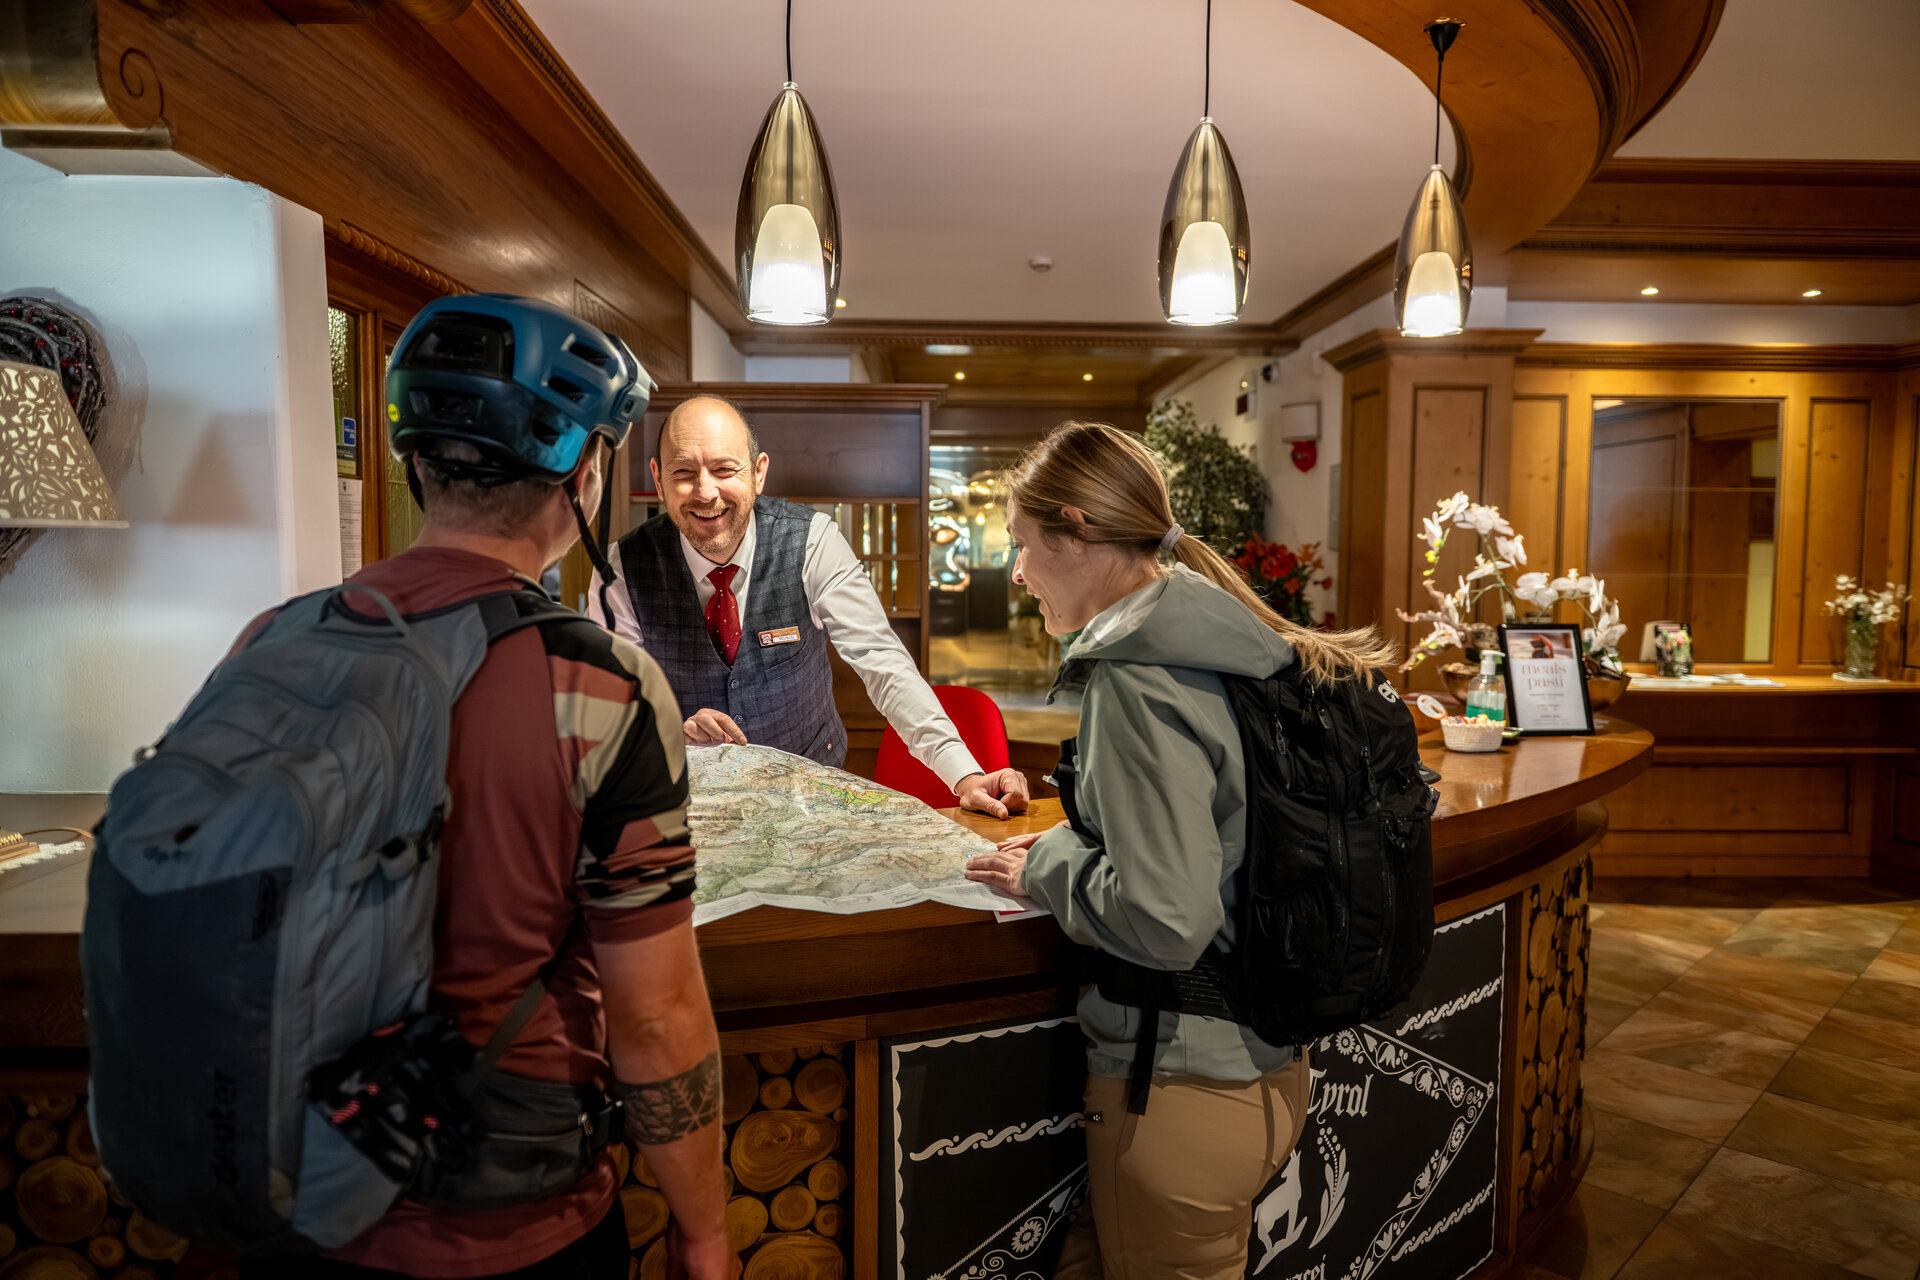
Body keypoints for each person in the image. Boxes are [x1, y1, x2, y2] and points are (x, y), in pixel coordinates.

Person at [254, 296, 731, 1279]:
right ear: (585, 473)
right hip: (514, 1220)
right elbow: (655, 1018)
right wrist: (704, 1229)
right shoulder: (600, 684)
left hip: (299, 1194)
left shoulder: (273, 642)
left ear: (415, 463)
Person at [962, 421, 1398, 1280]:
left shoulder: (1138, 678)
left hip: (1179, 1088)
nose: (1015, 570)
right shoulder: (1223, 640)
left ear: (1075, 531)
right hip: (1266, 1071)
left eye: (1021, 543)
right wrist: (1087, 837)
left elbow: (1168, 919)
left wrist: (1045, 865)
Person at [590, 394, 1029, 817]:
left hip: (813, 792)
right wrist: (670, 733)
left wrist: (964, 775)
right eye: (683, 472)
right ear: (658, 478)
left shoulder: (813, 541)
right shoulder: (621, 569)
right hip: (689, 798)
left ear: (758, 473)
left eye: (724, 469)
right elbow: (611, 705)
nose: (705, 492)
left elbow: (882, 661)